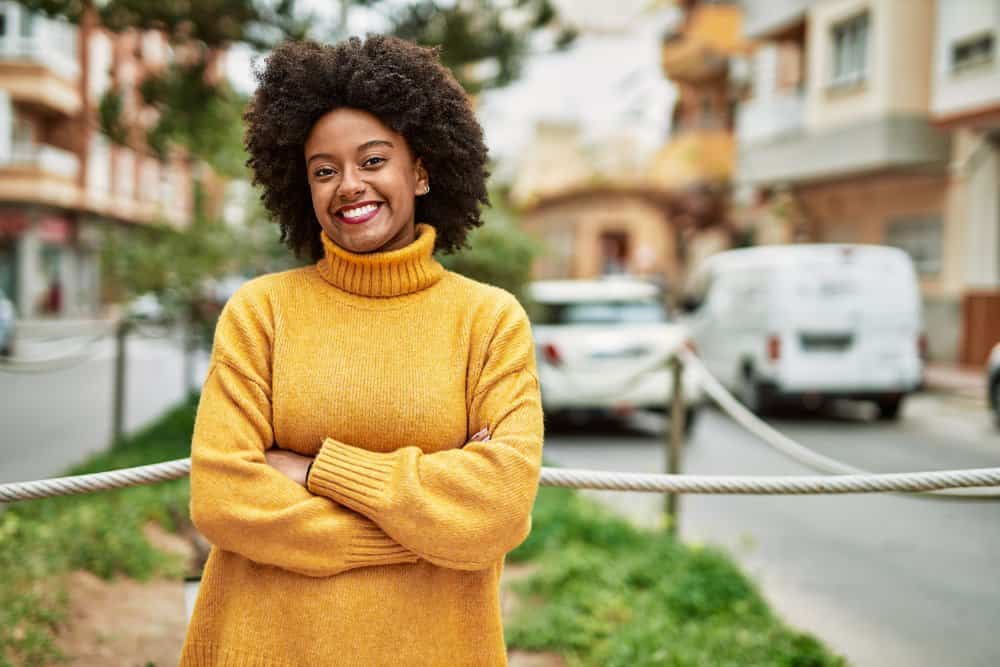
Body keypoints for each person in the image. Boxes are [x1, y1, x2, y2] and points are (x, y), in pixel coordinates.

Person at [181, 36, 544, 666]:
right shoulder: (261, 312)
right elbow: (223, 497)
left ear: (421, 171)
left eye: (373, 160)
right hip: (265, 647)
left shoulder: (488, 321)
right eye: (324, 170)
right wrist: (430, 527)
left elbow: (500, 507)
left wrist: (318, 469)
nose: (349, 185)